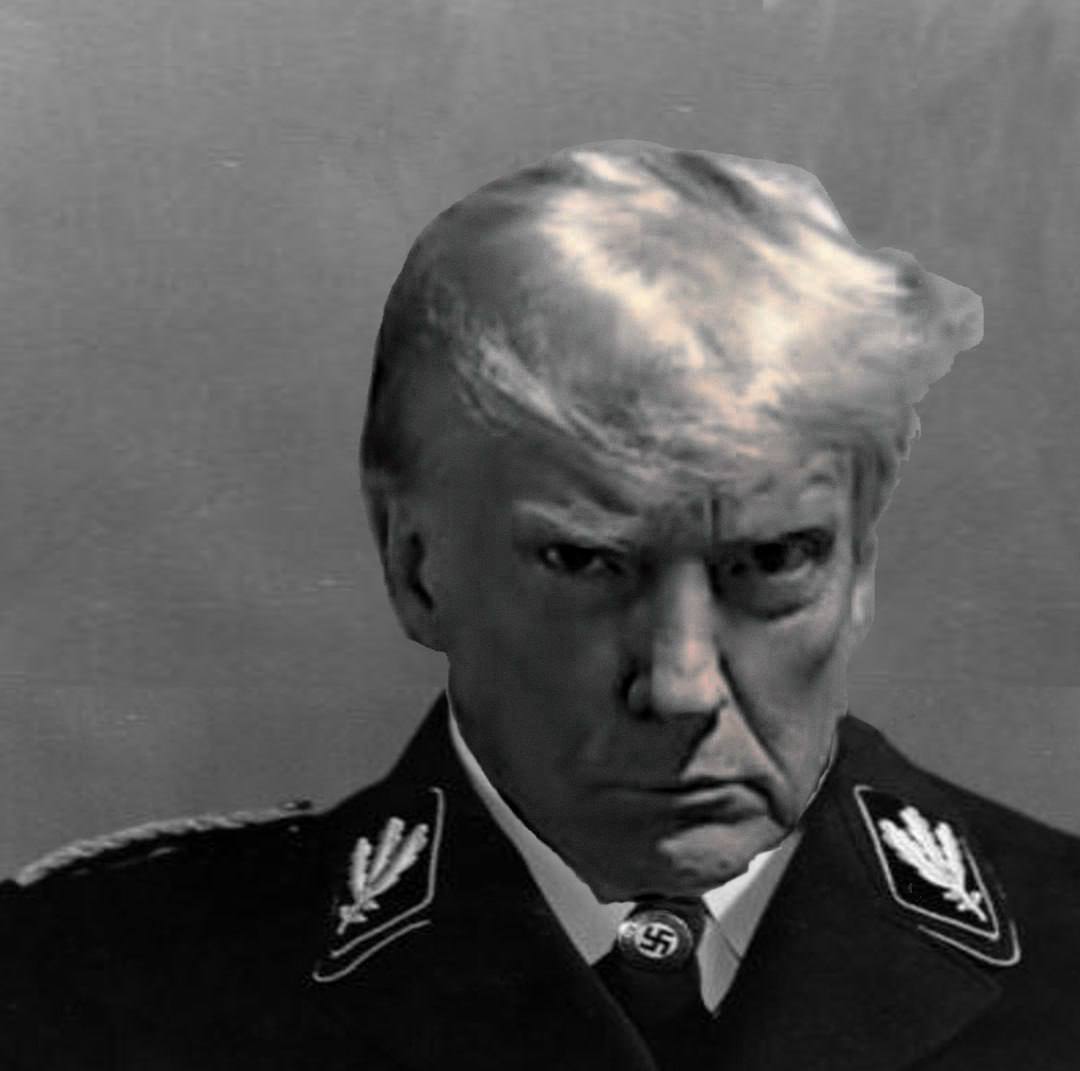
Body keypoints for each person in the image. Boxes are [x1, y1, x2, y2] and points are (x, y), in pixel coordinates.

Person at [3, 140, 1077, 1070]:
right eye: (586, 562)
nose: (681, 685)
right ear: (415, 565)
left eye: (772, 561)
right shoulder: (90, 988)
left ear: (861, 562)